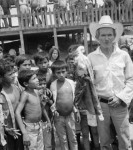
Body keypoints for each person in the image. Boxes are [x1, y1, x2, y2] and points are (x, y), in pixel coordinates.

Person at [88, 15, 133, 150]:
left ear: (114, 36)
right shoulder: (91, 58)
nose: (106, 38)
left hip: (120, 104)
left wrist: (120, 97)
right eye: (103, 35)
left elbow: (131, 80)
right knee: (105, 142)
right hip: (101, 106)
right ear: (97, 37)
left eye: (109, 35)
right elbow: (89, 84)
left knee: (125, 140)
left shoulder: (123, 56)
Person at [71, 45, 104, 150]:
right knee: (84, 133)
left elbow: (94, 97)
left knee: (94, 132)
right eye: (79, 68)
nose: (81, 71)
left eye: (83, 68)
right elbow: (74, 98)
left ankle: (96, 147)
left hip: (91, 110)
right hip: (81, 111)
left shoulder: (88, 82)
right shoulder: (74, 82)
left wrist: (98, 111)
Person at [50, 60, 79, 150]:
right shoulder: (53, 85)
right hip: (59, 117)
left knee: (73, 138)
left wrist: (76, 111)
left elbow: (74, 98)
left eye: (63, 72)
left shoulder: (71, 83)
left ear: (67, 71)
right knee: (63, 139)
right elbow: (52, 100)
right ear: (54, 74)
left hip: (70, 115)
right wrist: (53, 110)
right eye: (58, 72)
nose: (61, 74)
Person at [0, 58, 21, 150]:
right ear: (0, 77)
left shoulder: (16, 87)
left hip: (19, 129)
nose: (14, 75)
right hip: (5, 134)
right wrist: (6, 129)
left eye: (14, 72)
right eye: (10, 74)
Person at [16, 69, 45, 150]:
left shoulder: (36, 92)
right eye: (34, 79)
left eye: (36, 78)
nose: (37, 80)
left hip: (39, 125)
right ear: (26, 84)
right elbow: (17, 112)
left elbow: (38, 107)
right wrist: (24, 133)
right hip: (30, 128)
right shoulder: (25, 94)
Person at [38, 70, 54, 150]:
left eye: (44, 84)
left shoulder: (48, 92)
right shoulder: (36, 94)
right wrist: (48, 121)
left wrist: (48, 100)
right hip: (41, 121)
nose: (42, 86)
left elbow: (52, 104)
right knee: (40, 144)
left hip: (48, 119)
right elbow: (42, 109)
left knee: (48, 143)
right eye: (40, 84)